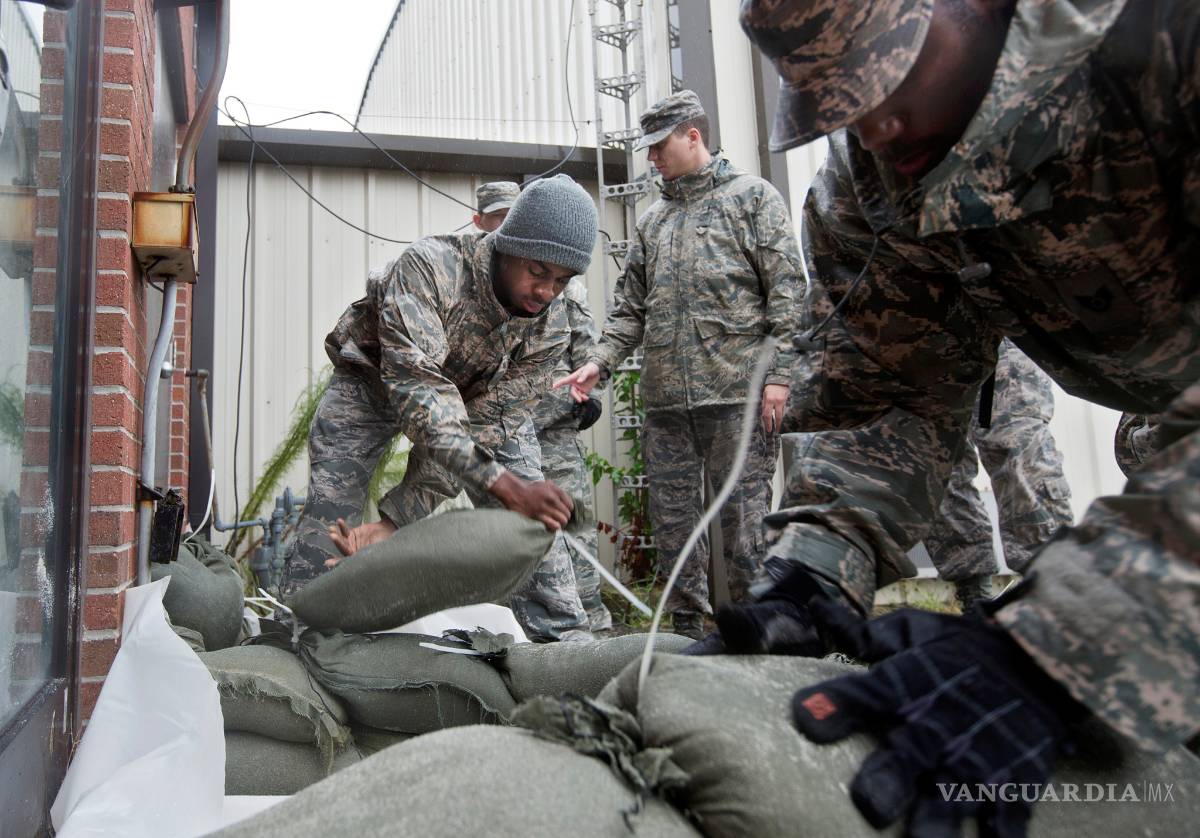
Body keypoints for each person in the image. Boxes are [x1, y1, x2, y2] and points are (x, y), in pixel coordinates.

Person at [710, 0, 1199, 833]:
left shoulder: (1168, 44)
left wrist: (1063, 648)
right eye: (841, 102)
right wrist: (822, 560)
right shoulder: (875, 184)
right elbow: (898, 384)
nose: (878, 124)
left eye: (893, 69)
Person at [283, 174, 599, 642]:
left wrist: (398, 519)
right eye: (538, 272)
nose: (547, 292)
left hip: (467, 408)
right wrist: (503, 484)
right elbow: (423, 395)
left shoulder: (552, 325)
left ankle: (565, 645)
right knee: (333, 506)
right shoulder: (431, 268)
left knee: (530, 518)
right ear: (506, 244)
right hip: (373, 384)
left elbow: (484, 427)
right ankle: (301, 631)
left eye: (562, 280)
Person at [555, 90, 805, 639]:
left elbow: (788, 296)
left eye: (658, 145)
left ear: (694, 136)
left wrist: (781, 378)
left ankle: (753, 633)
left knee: (743, 529)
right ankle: (686, 630)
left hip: (739, 398)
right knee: (674, 528)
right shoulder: (653, 222)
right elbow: (629, 312)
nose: (651, 158)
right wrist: (599, 362)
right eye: (646, 149)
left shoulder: (752, 199)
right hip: (668, 405)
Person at [472, 181, 615, 632]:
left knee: (575, 537)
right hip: (506, 434)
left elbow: (587, 350)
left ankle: (593, 630)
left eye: (510, 213)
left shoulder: (557, 285)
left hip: (553, 429)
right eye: (497, 215)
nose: (505, 222)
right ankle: (525, 636)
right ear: (483, 222)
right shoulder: (476, 280)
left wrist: (584, 394)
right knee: (515, 542)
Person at [926, 338, 1073, 611]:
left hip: (1002, 325)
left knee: (1016, 443)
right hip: (927, 332)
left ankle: (1054, 589)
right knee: (938, 458)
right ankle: (974, 595)